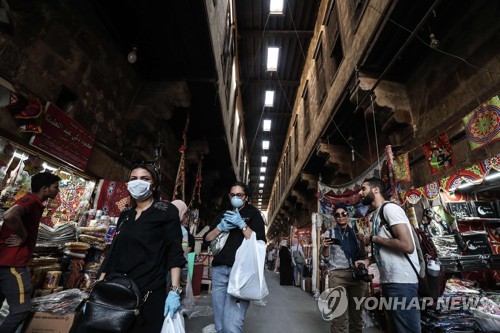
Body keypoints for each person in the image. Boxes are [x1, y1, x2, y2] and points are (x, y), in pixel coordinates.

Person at [75, 162, 186, 333]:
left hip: (148, 290)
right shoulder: (126, 215)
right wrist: (98, 284)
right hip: (116, 287)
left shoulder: (165, 211)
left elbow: (174, 252)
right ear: (128, 184)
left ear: (153, 185)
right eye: (134, 179)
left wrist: (174, 290)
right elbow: (113, 252)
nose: (138, 182)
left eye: (145, 178)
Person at [356, 177, 420, 333]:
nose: (360, 192)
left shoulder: (390, 209)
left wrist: (373, 238)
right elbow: (386, 248)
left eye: (364, 188)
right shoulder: (377, 214)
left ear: (376, 190)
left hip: (402, 282)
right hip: (390, 281)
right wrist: (368, 260)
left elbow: (407, 245)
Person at [0, 172, 61, 333]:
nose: (58, 191)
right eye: (56, 187)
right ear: (44, 189)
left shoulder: (35, 202)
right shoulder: (32, 201)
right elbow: (9, 214)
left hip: (6, 261)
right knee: (21, 309)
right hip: (12, 263)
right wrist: (23, 235)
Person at [204, 181, 266, 333]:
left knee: (231, 326)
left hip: (240, 273)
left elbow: (259, 241)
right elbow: (207, 238)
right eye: (233, 195)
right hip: (219, 271)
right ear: (229, 196)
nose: (236, 197)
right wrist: (220, 227)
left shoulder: (253, 214)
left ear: (246, 197)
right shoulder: (223, 214)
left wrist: (242, 224)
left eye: (240, 195)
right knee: (219, 325)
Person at [320, 206, 367, 333]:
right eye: (337, 214)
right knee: (339, 317)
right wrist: (324, 247)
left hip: (357, 276)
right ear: (334, 218)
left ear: (347, 215)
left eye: (343, 213)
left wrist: (362, 242)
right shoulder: (329, 234)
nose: (341, 216)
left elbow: (363, 256)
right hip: (338, 276)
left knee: (357, 317)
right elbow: (324, 259)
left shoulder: (356, 234)